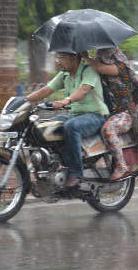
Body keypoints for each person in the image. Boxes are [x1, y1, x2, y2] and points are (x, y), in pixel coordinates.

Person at [26, 52, 110, 187]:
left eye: (62, 58)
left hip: (96, 115)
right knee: (46, 127)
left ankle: (76, 173)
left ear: (74, 58)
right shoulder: (64, 74)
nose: (58, 61)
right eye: (57, 57)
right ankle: (53, 166)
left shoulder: (89, 71)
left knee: (72, 127)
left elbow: (83, 90)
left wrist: (66, 100)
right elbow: (46, 90)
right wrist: (23, 101)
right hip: (75, 115)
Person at [82, 48, 138, 181]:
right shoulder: (98, 64)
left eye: (104, 53)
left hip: (128, 112)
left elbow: (100, 68)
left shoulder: (121, 67)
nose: (101, 55)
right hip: (110, 110)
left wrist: (86, 57)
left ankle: (121, 166)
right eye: (100, 53)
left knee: (109, 129)